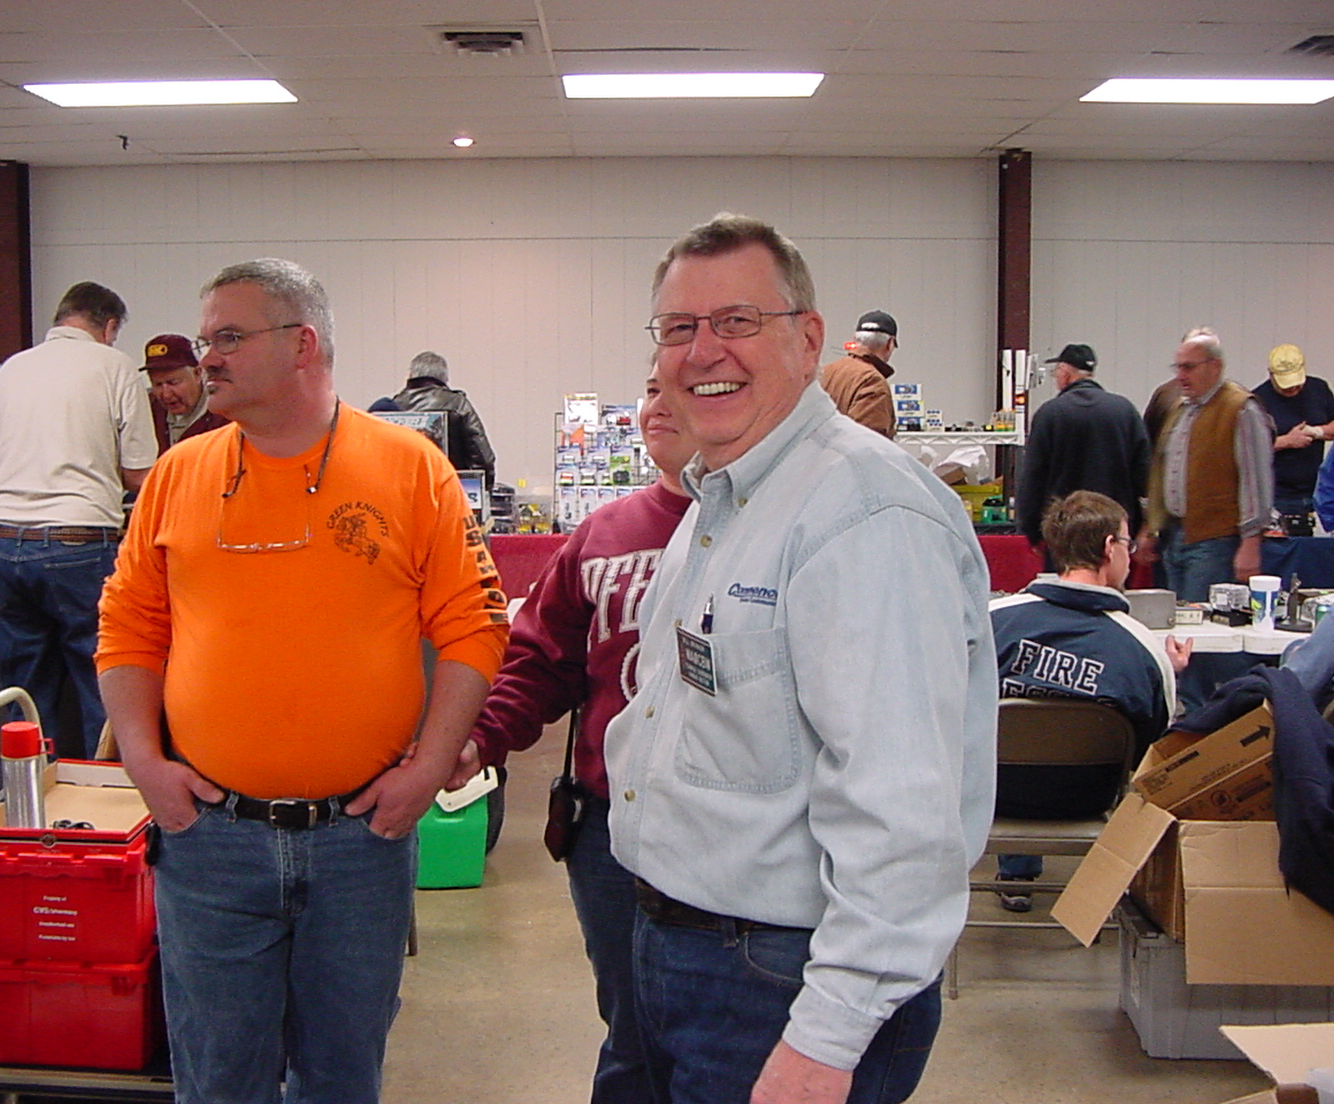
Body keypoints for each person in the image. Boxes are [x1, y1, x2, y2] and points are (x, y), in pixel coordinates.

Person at [96, 258, 508, 1104]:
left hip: (360, 842)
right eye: (206, 339)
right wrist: (141, 759)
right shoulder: (178, 475)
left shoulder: (411, 469)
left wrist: (431, 765)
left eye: (229, 337)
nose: (207, 358)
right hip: (210, 840)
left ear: (302, 344)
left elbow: (474, 622)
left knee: (342, 1078)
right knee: (218, 1081)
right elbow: (129, 625)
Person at [604, 214, 996, 1104]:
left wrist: (829, 1036)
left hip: (780, 980)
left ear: (809, 338)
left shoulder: (864, 515)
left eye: (737, 321)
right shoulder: (725, 500)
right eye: (678, 327)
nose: (703, 351)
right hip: (683, 948)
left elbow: (903, 815)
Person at [449, 372, 696, 1104]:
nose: (659, 406)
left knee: (719, 1039)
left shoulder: (766, 527)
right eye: (651, 390)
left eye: (683, 389)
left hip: (729, 828)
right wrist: (479, 739)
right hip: (609, 827)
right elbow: (541, 660)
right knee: (632, 1030)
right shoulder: (603, 532)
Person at [0, 282, 156, 754]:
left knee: (26, 693)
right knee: (102, 683)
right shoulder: (114, 366)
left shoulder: (9, 371)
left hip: (5, 543)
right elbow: (141, 473)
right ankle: (101, 794)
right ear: (109, 326)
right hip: (79, 541)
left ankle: (31, 790)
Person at [989, 491, 1188, 911]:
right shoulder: (1143, 649)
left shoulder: (994, 623)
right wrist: (1166, 671)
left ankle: (1016, 875)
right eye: (1128, 544)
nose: (1130, 556)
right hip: (1088, 800)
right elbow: (1152, 748)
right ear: (1109, 548)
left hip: (991, 795)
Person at [1139, 327, 1274, 602]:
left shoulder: (1241, 408)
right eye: (1178, 367)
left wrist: (1251, 543)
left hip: (1215, 541)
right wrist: (1150, 527)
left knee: (1200, 621)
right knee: (1176, 619)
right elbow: (1162, 472)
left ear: (1215, 366)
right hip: (1173, 536)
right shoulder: (1180, 408)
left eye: (1188, 367)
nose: (1180, 376)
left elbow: (1255, 481)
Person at [1014, 343, 1150, 564]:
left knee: (1067, 585)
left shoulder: (1049, 414)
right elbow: (1144, 474)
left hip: (1064, 534)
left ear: (1065, 374)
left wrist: (1031, 531)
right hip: (1114, 532)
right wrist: (1143, 526)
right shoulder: (1124, 411)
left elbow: (1033, 477)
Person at [391, 350, 497, 488]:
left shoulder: (393, 405)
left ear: (411, 374)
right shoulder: (457, 403)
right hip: (447, 488)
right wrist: (483, 488)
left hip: (405, 490)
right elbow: (482, 455)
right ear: (444, 377)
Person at [1251, 343, 1334, 518]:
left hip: (1317, 489)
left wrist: (1317, 431)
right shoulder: (1257, 401)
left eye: (1297, 384)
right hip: (1278, 494)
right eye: (1286, 386)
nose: (1293, 389)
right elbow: (1249, 448)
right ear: (1271, 374)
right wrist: (1286, 441)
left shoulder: (1319, 389)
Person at [816, 309, 898, 437]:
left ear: (855, 339)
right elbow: (868, 441)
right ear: (890, 344)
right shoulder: (872, 382)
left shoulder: (825, 372)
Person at [140, 333, 227, 453]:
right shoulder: (147, 411)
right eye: (158, 384)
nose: (166, 394)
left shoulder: (225, 413)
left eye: (173, 382)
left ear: (198, 373)